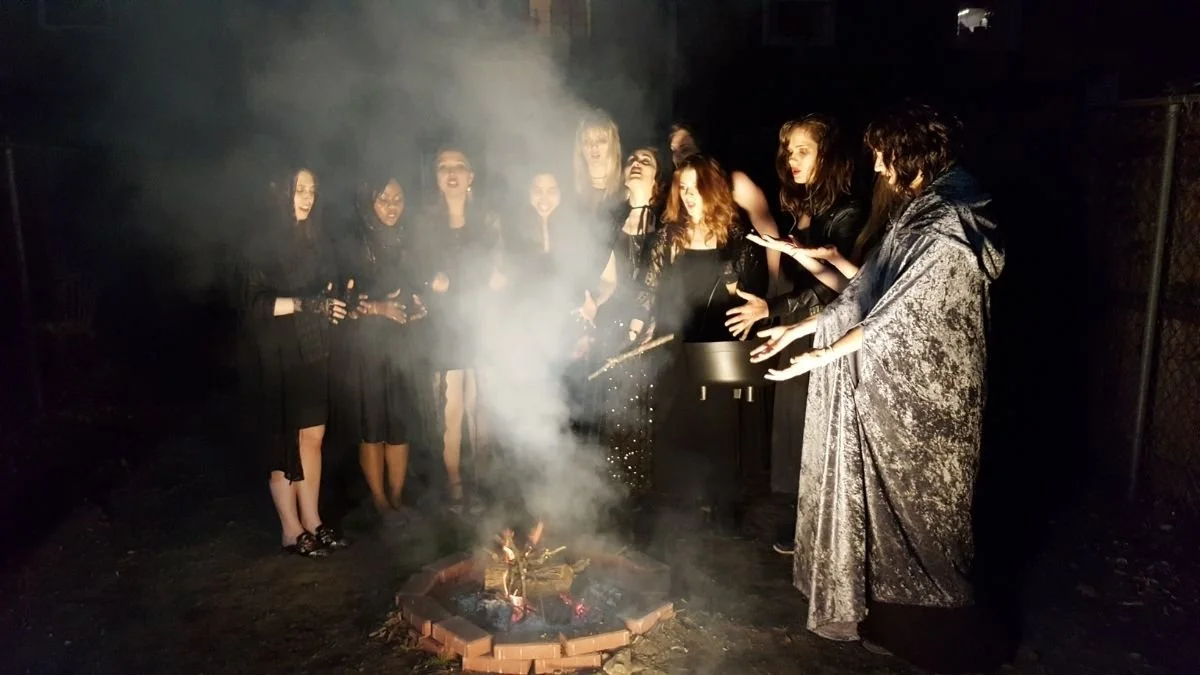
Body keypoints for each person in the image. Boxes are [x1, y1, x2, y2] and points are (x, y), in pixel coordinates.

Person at [750, 104, 1004, 666]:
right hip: (883, 390)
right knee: (879, 504)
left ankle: (937, 635)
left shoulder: (950, 219)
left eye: (885, 157)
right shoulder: (916, 212)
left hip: (929, 395)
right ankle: (886, 618)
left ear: (912, 153)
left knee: (923, 507)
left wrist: (819, 357)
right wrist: (800, 327)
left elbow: (900, 314)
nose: (881, 170)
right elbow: (865, 292)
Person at [724, 115, 866, 555]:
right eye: (788, 151)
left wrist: (775, 308)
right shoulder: (803, 207)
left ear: (828, 154)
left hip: (828, 335)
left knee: (819, 430)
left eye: (802, 150)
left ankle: (829, 533)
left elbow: (835, 288)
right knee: (792, 430)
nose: (792, 159)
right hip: (796, 332)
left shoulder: (847, 212)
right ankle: (802, 523)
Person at [634, 154, 768, 521]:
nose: (689, 196)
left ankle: (722, 506)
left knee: (719, 423)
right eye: (684, 188)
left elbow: (754, 295)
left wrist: (749, 307)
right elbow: (647, 292)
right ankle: (677, 506)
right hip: (675, 344)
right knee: (675, 418)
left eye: (696, 188)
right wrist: (638, 327)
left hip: (718, 348)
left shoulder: (736, 238)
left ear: (713, 189)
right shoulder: (668, 237)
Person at [234, 167, 350, 556]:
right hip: (276, 353)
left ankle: (313, 521)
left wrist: (334, 305)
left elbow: (326, 289)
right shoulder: (260, 242)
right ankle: (290, 528)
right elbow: (254, 303)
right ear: (281, 191)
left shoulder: (316, 239)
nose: (306, 195)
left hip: (312, 350)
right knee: (284, 441)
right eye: (299, 188)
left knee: (313, 436)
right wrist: (306, 304)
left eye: (312, 189)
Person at [411, 148, 504, 514]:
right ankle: (454, 487)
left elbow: (499, 269)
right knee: (451, 411)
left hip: (481, 323)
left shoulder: (487, 221)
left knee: (481, 407)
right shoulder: (425, 225)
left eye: (459, 167)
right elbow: (416, 271)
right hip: (444, 326)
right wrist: (427, 282)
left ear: (471, 176)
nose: (451, 174)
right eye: (443, 167)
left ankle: (480, 483)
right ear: (436, 178)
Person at [330, 176, 425, 519]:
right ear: (369, 201)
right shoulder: (354, 242)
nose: (391, 205)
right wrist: (378, 308)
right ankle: (379, 499)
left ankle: (396, 497)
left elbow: (416, 285)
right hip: (365, 345)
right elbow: (345, 298)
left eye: (397, 198)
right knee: (372, 424)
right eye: (383, 199)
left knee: (398, 423)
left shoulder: (407, 240)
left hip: (401, 344)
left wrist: (417, 306)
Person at [668, 122, 783, 282]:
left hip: (748, 278)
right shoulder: (678, 191)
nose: (678, 157)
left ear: (701, 149)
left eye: (685, 149)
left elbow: (768, 230)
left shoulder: (735, 182)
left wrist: (775, 281)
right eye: (673, 151)